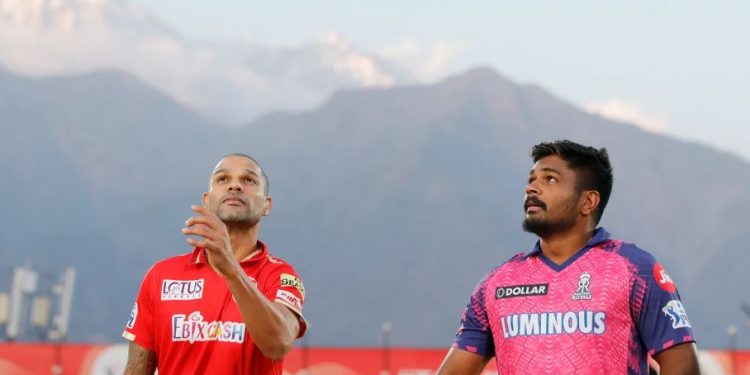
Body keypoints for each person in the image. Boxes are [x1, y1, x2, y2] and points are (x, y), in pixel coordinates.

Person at [437, 140, 700, 374]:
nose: (532, 188)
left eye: (550, 179)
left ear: (588, 202)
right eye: (531, 180)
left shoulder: (634, 269)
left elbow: (683, 364)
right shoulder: (497, 283)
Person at [122, 153, 307, 374]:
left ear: (266, 205)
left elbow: (279, 344)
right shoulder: (161, 276)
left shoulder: (280, 275)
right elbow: (136, 369)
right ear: (206, 201)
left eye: (249, 180)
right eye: (223, 179)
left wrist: (231, 270)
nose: (235, 186)